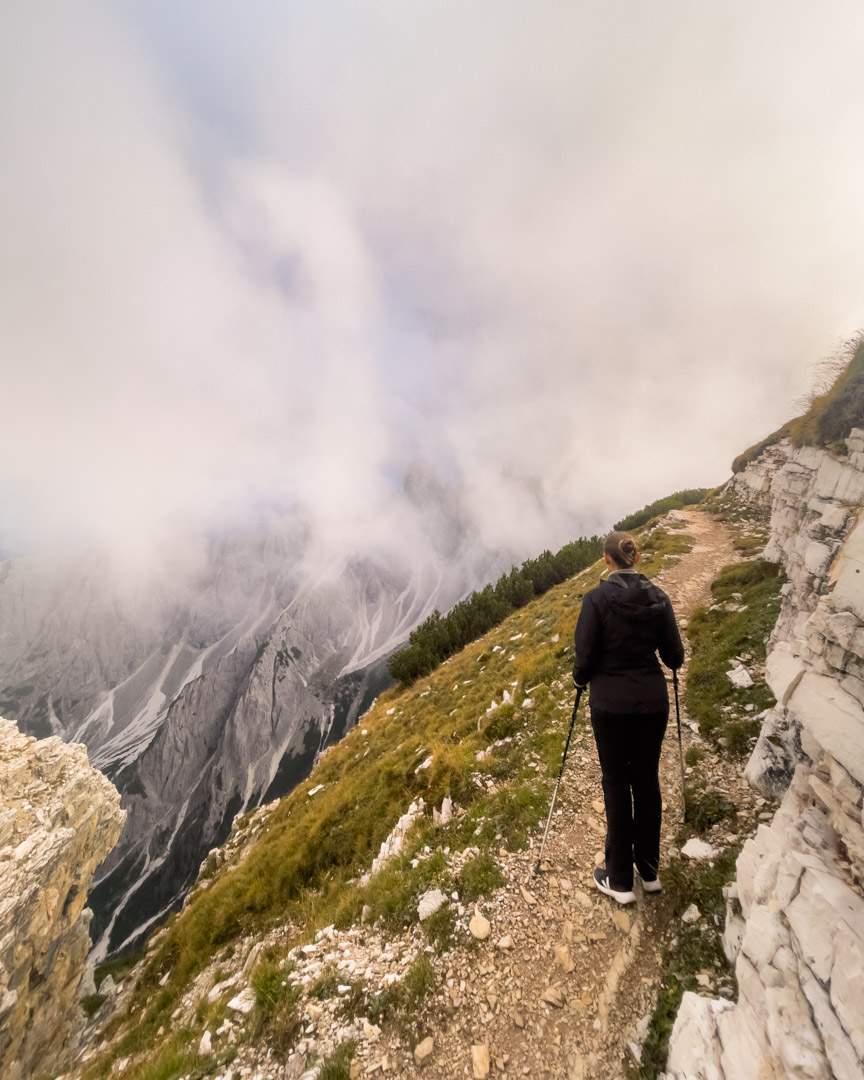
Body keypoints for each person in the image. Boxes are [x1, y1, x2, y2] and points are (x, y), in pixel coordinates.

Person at [573, 529, 684, 904]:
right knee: (646, 780)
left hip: (610, 707)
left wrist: (579, 678)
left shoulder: (596, 600)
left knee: (616, 784)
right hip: (652, 704)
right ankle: (649, 871)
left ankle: (619, 879)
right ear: (636, 557)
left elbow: (584, 659)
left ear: (607, 560)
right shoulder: (660, 599)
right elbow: (674, 658)